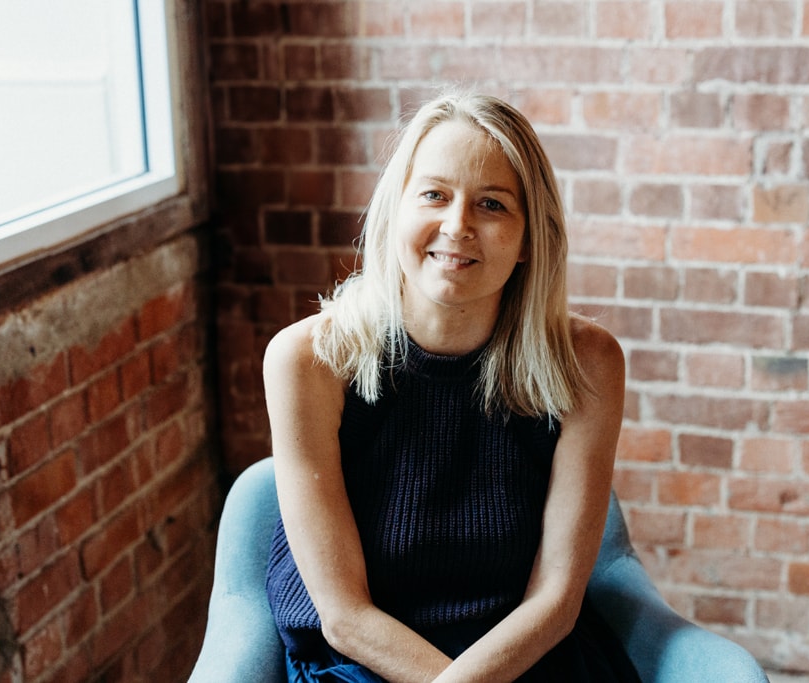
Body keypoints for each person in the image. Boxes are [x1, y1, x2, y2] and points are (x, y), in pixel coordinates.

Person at [262, 91, 634, 682]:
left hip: (521, 658)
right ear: (395, 212)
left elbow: (555, 603)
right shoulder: (310, 360)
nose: (457, 226)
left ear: (530, 239)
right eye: (434, 194)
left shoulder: (587, 363)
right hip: (362, 661)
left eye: (492, 204)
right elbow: (345, 617)